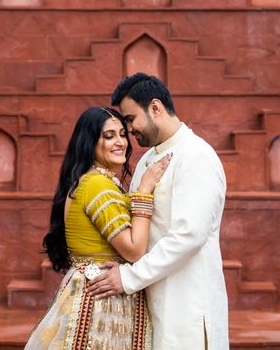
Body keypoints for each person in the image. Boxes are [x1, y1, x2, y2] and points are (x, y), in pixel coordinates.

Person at [85, 73, 229, 349]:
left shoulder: (197, 156)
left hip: (186, 309)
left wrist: (129, 277)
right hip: (154, 299)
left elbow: (189, 236)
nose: (128, 131)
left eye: (129, 119)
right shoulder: (149, 160)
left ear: (155, 107)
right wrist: (126, 266)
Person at [25, 106, 172, 349]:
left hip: (97, 291)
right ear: (89, 142)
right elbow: (134, 250)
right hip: (101, 304)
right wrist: (144, 191)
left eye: (122, 134)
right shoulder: (97, 185)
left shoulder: (93, 180)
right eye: (108, 136)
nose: (120, 142)